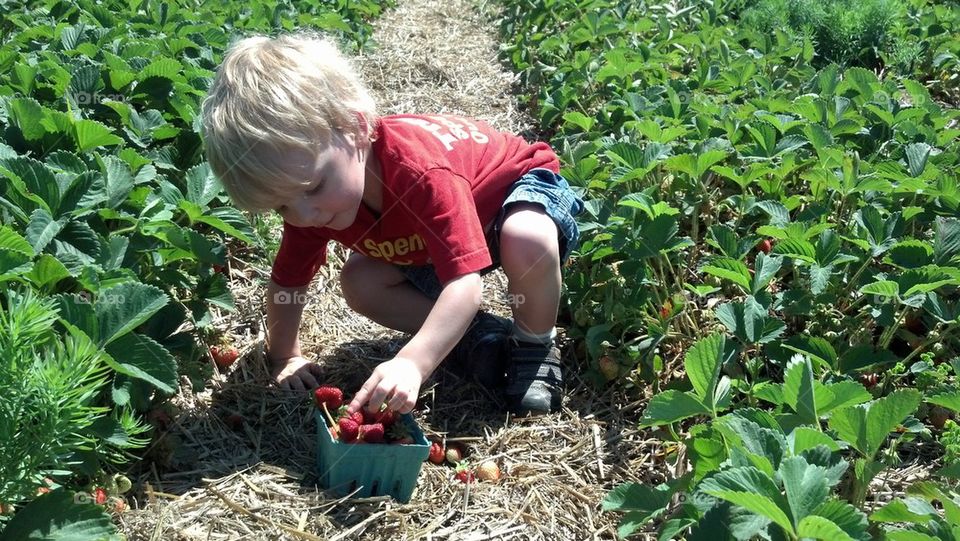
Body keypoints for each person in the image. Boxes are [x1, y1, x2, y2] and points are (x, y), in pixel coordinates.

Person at [200, 32, 583, 416]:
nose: (303, 215)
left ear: (354, 127)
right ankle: (475, 337)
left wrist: (413, 362)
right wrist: (285, 357)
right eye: (281, 206)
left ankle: (534, 347)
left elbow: (466, 285)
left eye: (314, 187)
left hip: (509, 199)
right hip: (430, 234)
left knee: (527, 238)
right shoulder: (310, 201)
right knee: (359, 281)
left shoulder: (418, 171)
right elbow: (289, 282)